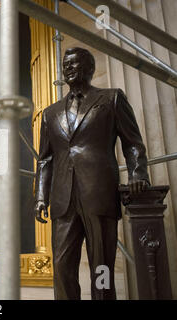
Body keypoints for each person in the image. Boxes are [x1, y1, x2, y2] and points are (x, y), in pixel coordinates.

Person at [34, 47, 150, 300]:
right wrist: (41, 195)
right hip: (63, 199)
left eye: (74, 64)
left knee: (101, 266)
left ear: (89, 68)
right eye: (65, 65)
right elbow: (45, 160)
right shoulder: (50, 113)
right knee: (62, 267)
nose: (68, 68)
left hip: (99, 193)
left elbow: (133, 142)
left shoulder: (111, 99)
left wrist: (138, 174)